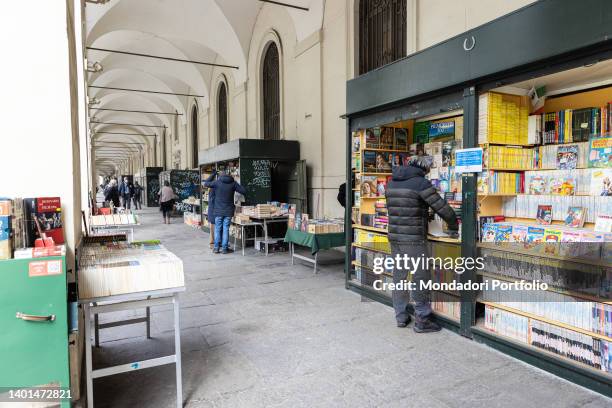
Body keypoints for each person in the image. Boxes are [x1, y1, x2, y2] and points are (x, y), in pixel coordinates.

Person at [386, 155, 458, 333]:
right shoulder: (420, 183)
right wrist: (455, 225)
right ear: (424, 169)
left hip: (395, 237)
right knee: (420, 277)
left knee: (399, 276)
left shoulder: (392, 182)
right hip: (413, 239)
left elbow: (403, 208)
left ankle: (401, 316)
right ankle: (422, 320)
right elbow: (442, 209)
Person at [204, 170, 246, 254]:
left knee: (217, 229)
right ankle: (224, 249)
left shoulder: (217, 182)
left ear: (220, 176)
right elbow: (243, 191)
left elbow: (206, 183)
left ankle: (216, 248)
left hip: (218, 211)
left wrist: (213, 174)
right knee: (226, 229)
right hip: (228, 211)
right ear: (229, 175)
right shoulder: (233, 183)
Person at [202, 171, 218, 249]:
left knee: (213, 228)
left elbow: (206, 182)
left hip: (212, 210)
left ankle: (213, 244)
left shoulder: (212, 188)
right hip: (216, 210)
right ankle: (214, 243)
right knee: (215, 228)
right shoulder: (216, 187)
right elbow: (206, 182)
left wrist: (213, 174)